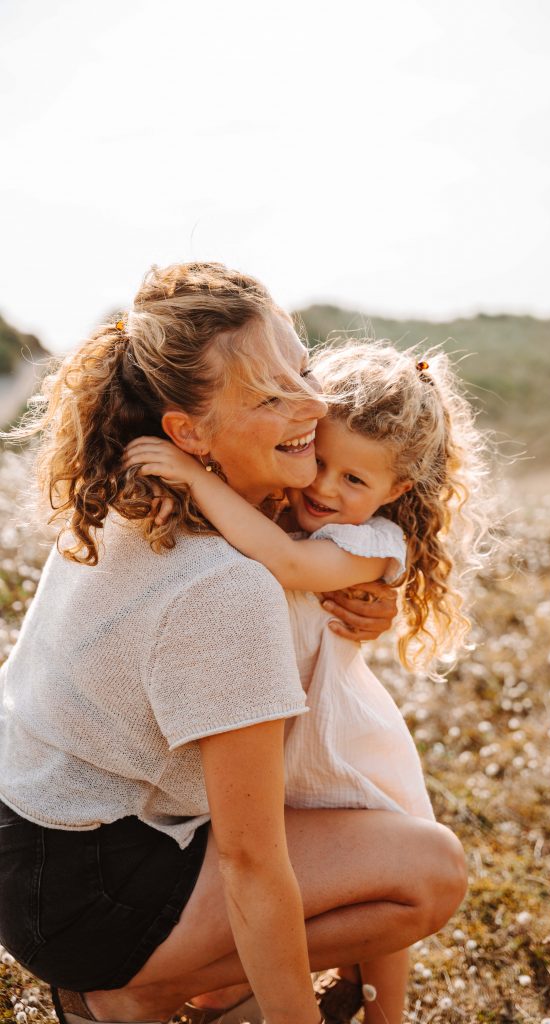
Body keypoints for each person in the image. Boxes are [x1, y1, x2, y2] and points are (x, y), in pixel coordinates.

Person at [0, 263, 468, 1024]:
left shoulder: (141, 497)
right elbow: (253, 863)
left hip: (31, 846)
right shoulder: (223, 581)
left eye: (302, 371)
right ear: (189, 434)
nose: (315, 403)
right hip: (87, 885)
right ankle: (130, 994)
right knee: (428, 870)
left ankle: (182, 981)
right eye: (270, 394)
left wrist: (356, 598)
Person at [123, 339, 488, 1024]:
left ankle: (385, 1015)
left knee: (386, 884)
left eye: (356, 481)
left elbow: (289, 566)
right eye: (320, 460)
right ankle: (228, 995)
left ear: (395, 492)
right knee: (271, 884)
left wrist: (195, 479)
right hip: (266, 743)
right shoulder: (268, 508)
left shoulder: (373, 543)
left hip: (338, 745)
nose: (325, 487)